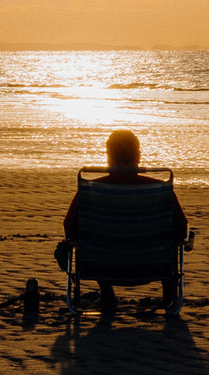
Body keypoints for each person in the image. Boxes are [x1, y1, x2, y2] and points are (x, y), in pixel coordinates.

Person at [59, 129, 192, 311]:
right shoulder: (159, 190)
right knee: (167, 240)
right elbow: (180, 229)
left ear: (108, 156)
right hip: (152, 266)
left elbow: (70, 228)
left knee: (95, 240)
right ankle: (169, 294)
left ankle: (107, 293)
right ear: (138, 156)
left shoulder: (90, 190)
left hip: (102, 266)